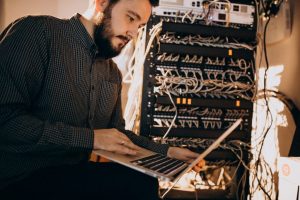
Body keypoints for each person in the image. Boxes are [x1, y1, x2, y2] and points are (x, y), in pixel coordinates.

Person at [0, 0, 204, 199]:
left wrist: (167, 152)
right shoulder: (36, 33)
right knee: (138, 185)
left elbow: (117, 135)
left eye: (140, 26)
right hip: (18, 179)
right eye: (130, 18)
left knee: (142, 180)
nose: (133, 33)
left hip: (71, 177)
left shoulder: (112, 73)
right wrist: (91, 138)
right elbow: (5, 121)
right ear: (102, 3)